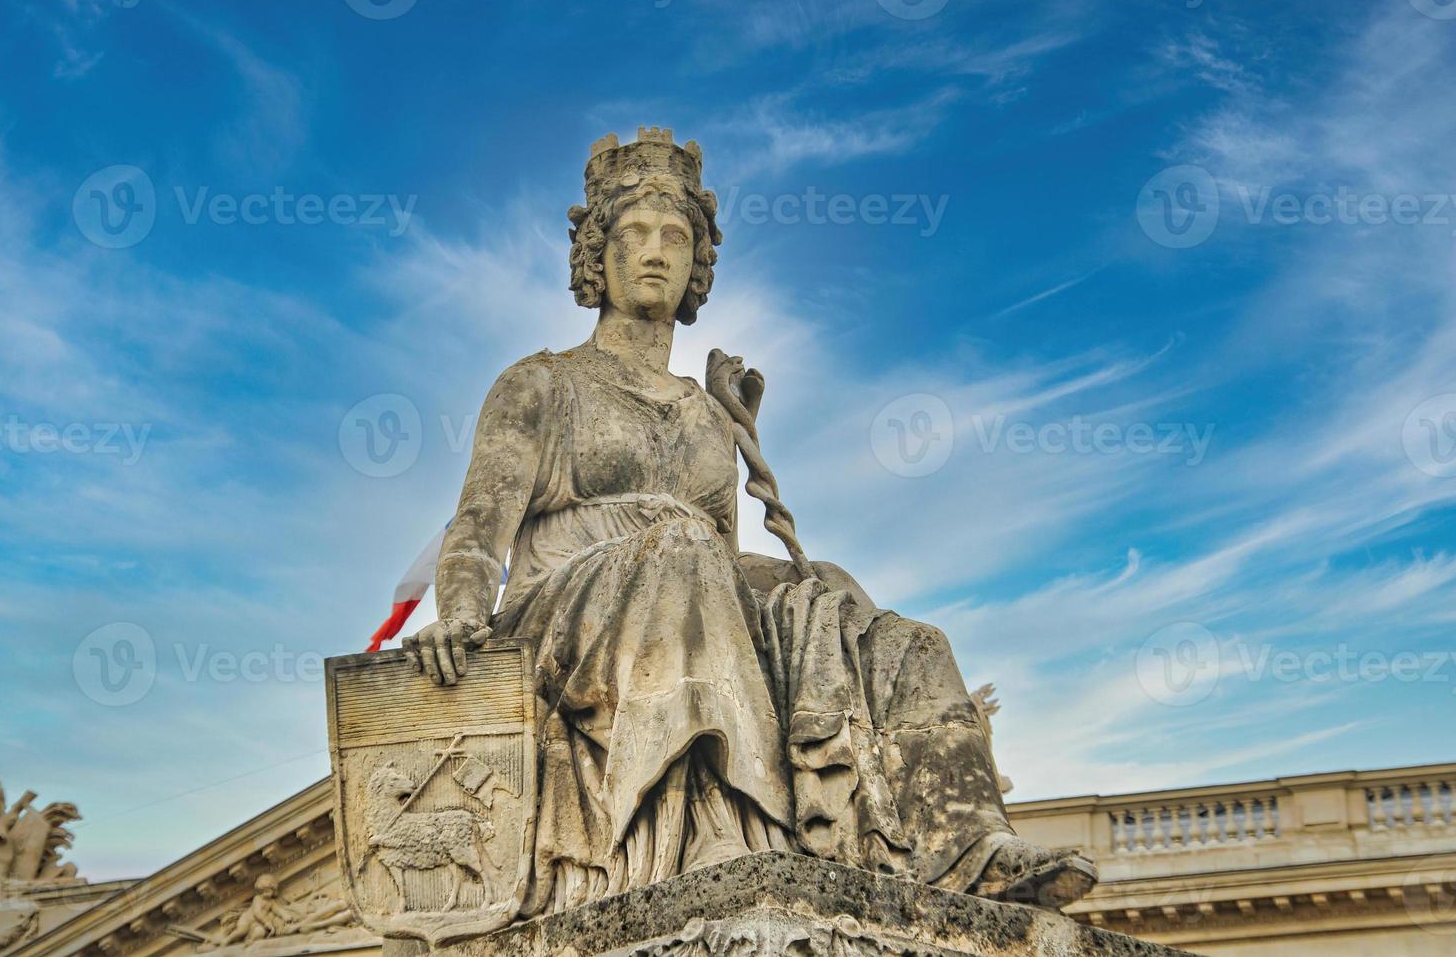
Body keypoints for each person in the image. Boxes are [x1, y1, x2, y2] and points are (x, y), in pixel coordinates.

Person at [402, 128, 1097, 918]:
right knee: (684, 549)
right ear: (599, 256)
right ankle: (728, 828)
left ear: (699, 264)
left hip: (682, 597)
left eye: (677, 236)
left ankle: (965, 846)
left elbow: (727, 581)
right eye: (634, 235)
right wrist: (456, 616)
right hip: (565, 620)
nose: (656, 251)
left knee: (868, 615)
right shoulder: (539, 385)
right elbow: (477, 528)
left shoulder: (705, 418)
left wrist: (816, 586)